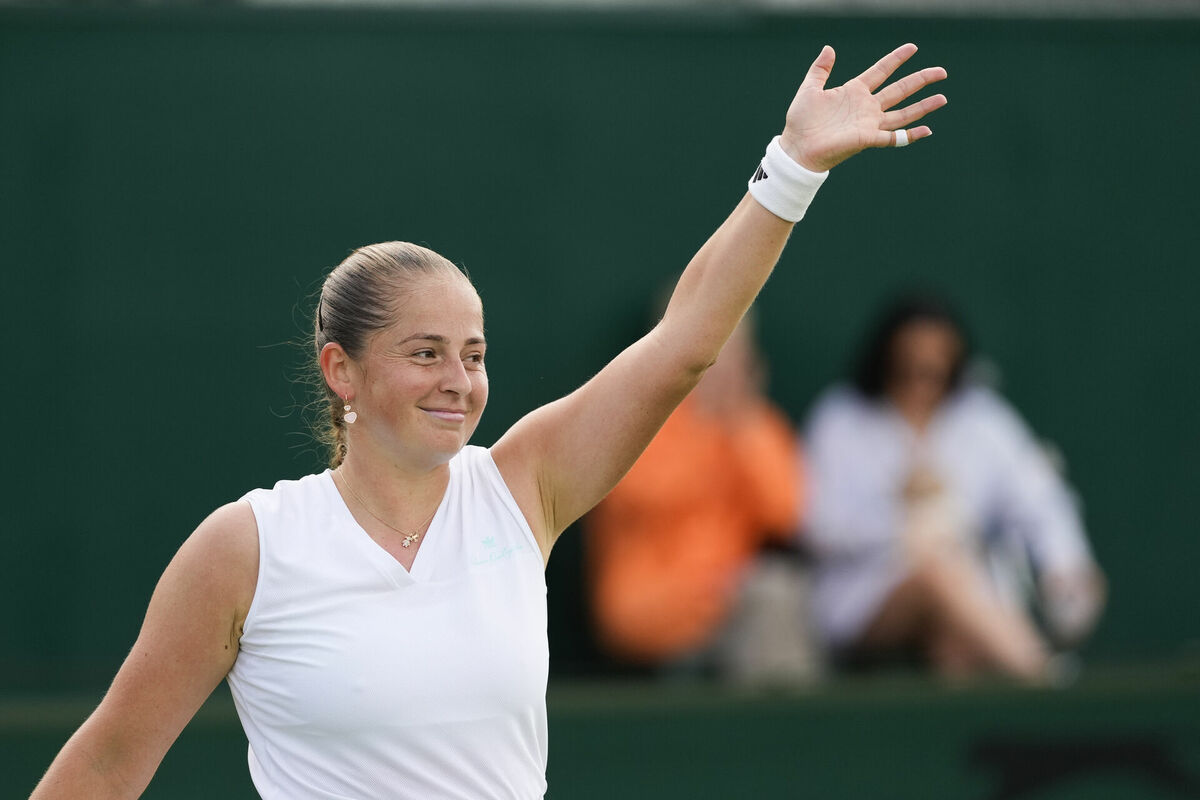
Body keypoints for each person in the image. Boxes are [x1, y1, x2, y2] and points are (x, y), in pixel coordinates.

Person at [31, 43, 947, 799]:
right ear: (340, 370)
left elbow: (684, 348)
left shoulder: (522, 487)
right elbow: (110, 763)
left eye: (472, 354)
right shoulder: (247, 547)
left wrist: (789, 171)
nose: (459, 381)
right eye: (424, 352)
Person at [803, 295, 1106, 683]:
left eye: (935, 371)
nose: (922, 383)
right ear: (885, 362)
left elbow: (1041, 499)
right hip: (860, 601)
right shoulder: (840, 421)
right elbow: (817, 524)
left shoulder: (981, 418)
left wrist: (1065, 565)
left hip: (971, 597)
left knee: (955, 639)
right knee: (937, 574)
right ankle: (1045, 680)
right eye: (907, 369)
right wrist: (901, 525)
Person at [586, 315, 815, 682]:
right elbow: (640, 498)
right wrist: (704, 424)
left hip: (728, 606)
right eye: (711, 357)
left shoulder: (755, 426)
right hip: (650, 609)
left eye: (732, 357)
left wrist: (741, 428)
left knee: (776, 594)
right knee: (771, 599)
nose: (721, 371)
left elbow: (786, 515)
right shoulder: (638, 421)